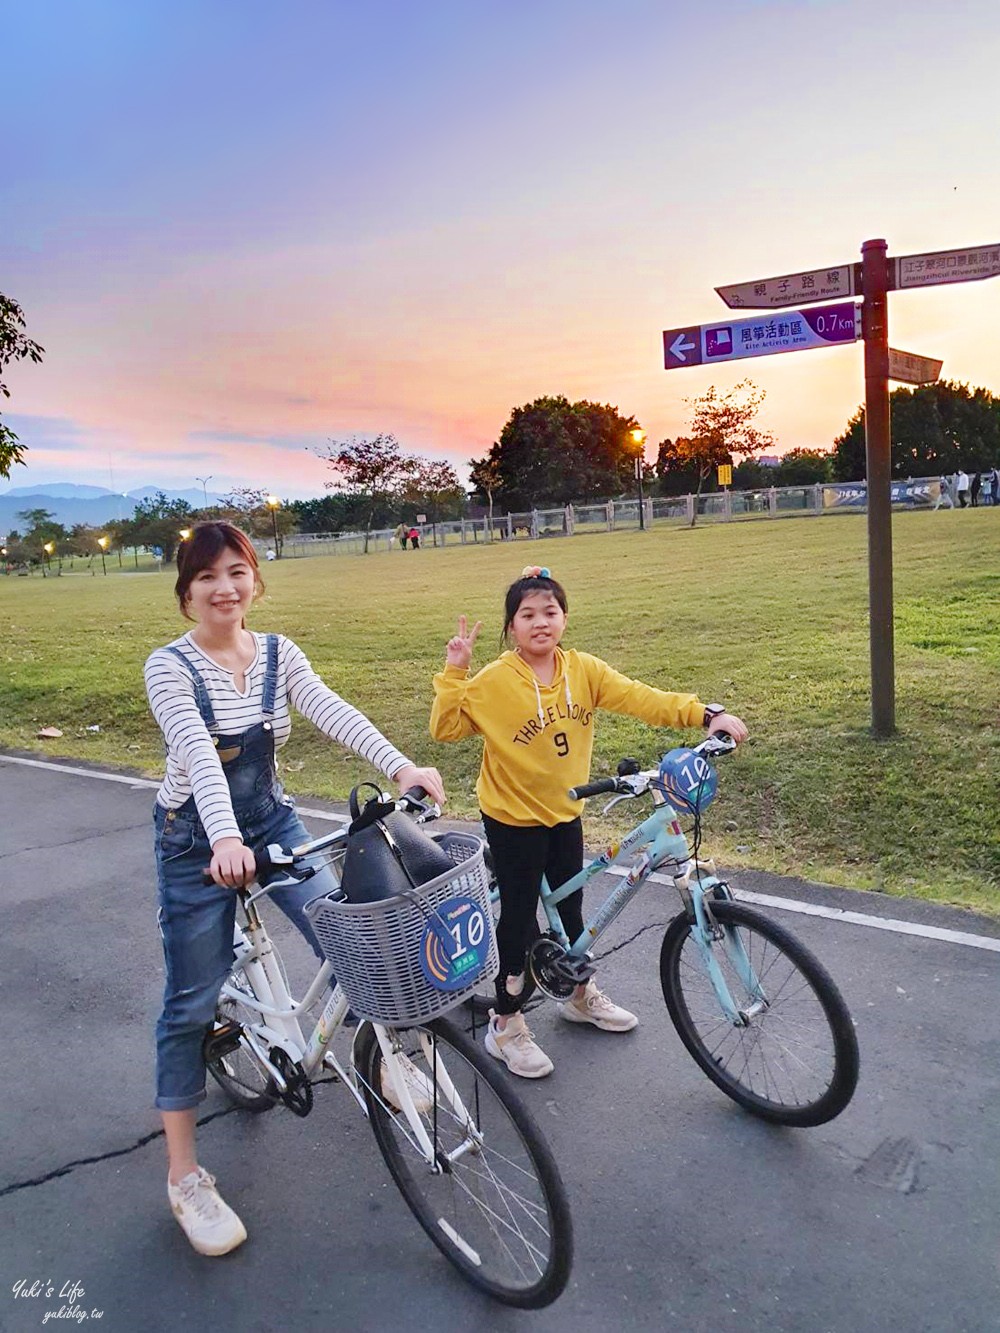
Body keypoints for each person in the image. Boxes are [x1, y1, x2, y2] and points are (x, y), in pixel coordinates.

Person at [145, 521, 445, 1257]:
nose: (225, 587)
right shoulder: (170, 667)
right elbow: (199, 756)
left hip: (271, 820)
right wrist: (222, 839)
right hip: (196, 839)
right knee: (189, 1000)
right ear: (187, 593)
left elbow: (332, 709)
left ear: (255, 580)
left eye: (237, 571)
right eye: (208, 576)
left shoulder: (279, 654)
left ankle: (388, 1050)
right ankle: (185, 1174)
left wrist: (402, 764)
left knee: (347, 935)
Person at [429, 566, 748, 1080]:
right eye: (527, 615)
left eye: (550, 612)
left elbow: (639, 696)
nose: (540, 623)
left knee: (571, 906)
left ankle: (579, 995)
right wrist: (456, 671)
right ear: (511, 627)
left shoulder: (583, 670)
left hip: (566, 810)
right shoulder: (493, 681)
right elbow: (445, 729)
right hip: (512, 817)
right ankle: (505, 1024)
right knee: (517, 919)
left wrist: (704, 713)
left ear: (565, 619)